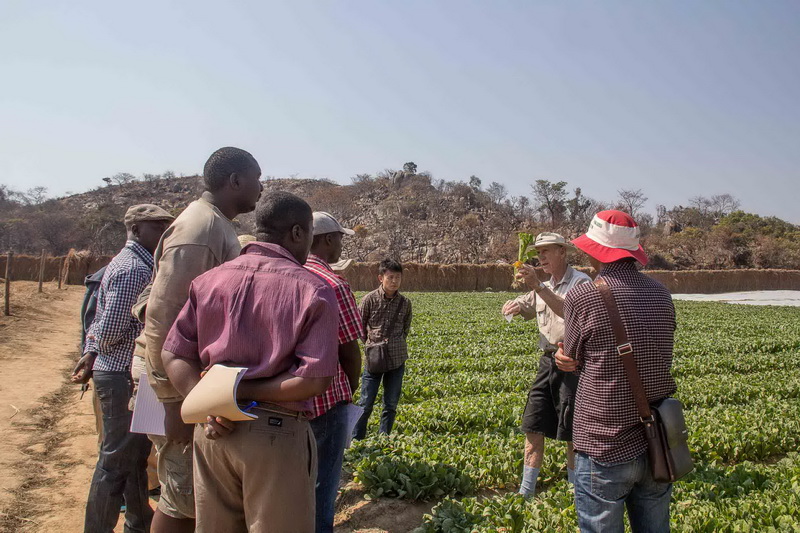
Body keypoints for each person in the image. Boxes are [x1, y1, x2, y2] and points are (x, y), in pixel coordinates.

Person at [161, 192, 339, 533]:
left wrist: (210, 402)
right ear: (297, 233)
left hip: (213, 431)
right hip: (274, 434)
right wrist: (242, 391)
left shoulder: (210, 280)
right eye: (309, 235)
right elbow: (313, 380)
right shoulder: (313, 289)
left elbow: (173, 352)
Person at [142, 147, 262, 533]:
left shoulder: (216, 225)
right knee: (183, 500)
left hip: (185, 383)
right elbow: (162, 319)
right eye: (257, 179)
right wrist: (175, 402)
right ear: (235, 181)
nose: (261, 188)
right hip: (174, 386)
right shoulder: (202, 230)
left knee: (192, 496)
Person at [555, 210, 677, 533]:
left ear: (596, 251)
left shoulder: (583, 295)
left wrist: (563, 358)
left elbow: (572, 357)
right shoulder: (662, 293)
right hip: (656, 440)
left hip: (604, 443)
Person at [71, 204, 174, 533]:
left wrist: (91, 349)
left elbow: (100, 323)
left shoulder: (141, 264)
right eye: (157, 227)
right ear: (137, 229)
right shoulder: (134, 269)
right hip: (121, 375)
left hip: (127, 374)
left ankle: (138, 525)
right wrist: (96, 348)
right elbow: (111, 329)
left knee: (134, 458)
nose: (163, 233)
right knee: (114, 463)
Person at [501, 232, 591, 497]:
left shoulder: (580, 282)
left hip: (573, 364)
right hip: (547, 362)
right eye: (538, 253)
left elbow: (569, 311)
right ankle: (525, 493)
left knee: (572, 432)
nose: (541, 257)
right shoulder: (545, 284)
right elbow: (529, 305)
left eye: (546, 251)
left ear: (562, 252)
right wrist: (514, 306)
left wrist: (538, 286)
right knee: (533, 424)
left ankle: (576, 493)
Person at [304, 212, 363, 533]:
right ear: (327, 239)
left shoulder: (287, 273)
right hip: (326, 402)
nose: (341, 244)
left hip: (284, 401)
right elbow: (349, 351)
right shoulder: (334, 284)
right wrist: (348, 392)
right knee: (322, 484)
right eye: (340, 238)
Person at [352, 259, 412, 440]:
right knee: (365, 403)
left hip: (397, 359)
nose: (394, 281)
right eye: (390, 277)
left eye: (398, 277)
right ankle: (357, 439)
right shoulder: (369, 299)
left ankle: (384, 438)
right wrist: (371, 344)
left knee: (391, 404)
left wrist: (395, 343)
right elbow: (359, 327)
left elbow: (405, 328)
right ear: (381, 278)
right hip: (374, 359)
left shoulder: (405, 303)